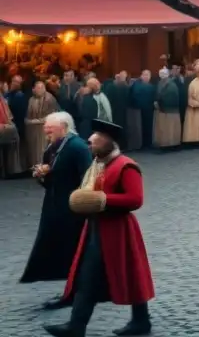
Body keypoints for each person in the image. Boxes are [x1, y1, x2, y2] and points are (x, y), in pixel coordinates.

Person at [44, 119, 155, 337]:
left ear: (109, 142)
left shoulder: (126, 165)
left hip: (118, 230)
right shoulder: (98, 166)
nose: (91, 141)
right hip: (96, 227)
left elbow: (135, 199)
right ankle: (80, 325)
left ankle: (137, 321)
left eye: (97, 138)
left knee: (124, 274)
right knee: (89, 276)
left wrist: (102, 199)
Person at [20, 112, 92, 290]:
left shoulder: (78, 147)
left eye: (50, 129)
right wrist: (42, 174)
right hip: (55, 206)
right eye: (45, 129)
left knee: (72, 248)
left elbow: (88, 178)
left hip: (72, 209)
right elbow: (52, 177)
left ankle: (79, 288)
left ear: (64, 127)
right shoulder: (53, 147)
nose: (46, 132)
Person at [24, 79, 59, 167]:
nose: (40, 89)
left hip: (45, 128)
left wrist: (35, 121)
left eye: (42, 87)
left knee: (43, 148)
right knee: (33, 149)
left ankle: (43, 166)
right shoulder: (31, 99)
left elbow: (52, 115)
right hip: (33, 130)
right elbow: (29, 115)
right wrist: (29, 121)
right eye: (38, 88)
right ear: (34, 89)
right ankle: (35, 166)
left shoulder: (49, 98)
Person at [152, 69, 182, 150]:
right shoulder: (160, 83)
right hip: (162, 111)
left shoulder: (171, 85)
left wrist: (159, 101)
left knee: (170, 129)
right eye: (161, 73)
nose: (162, 75)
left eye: (164, 73)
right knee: (163, 129)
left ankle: (170, 145)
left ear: (168, 75)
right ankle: (163, 144)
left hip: (170, 111)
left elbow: (171, 97)